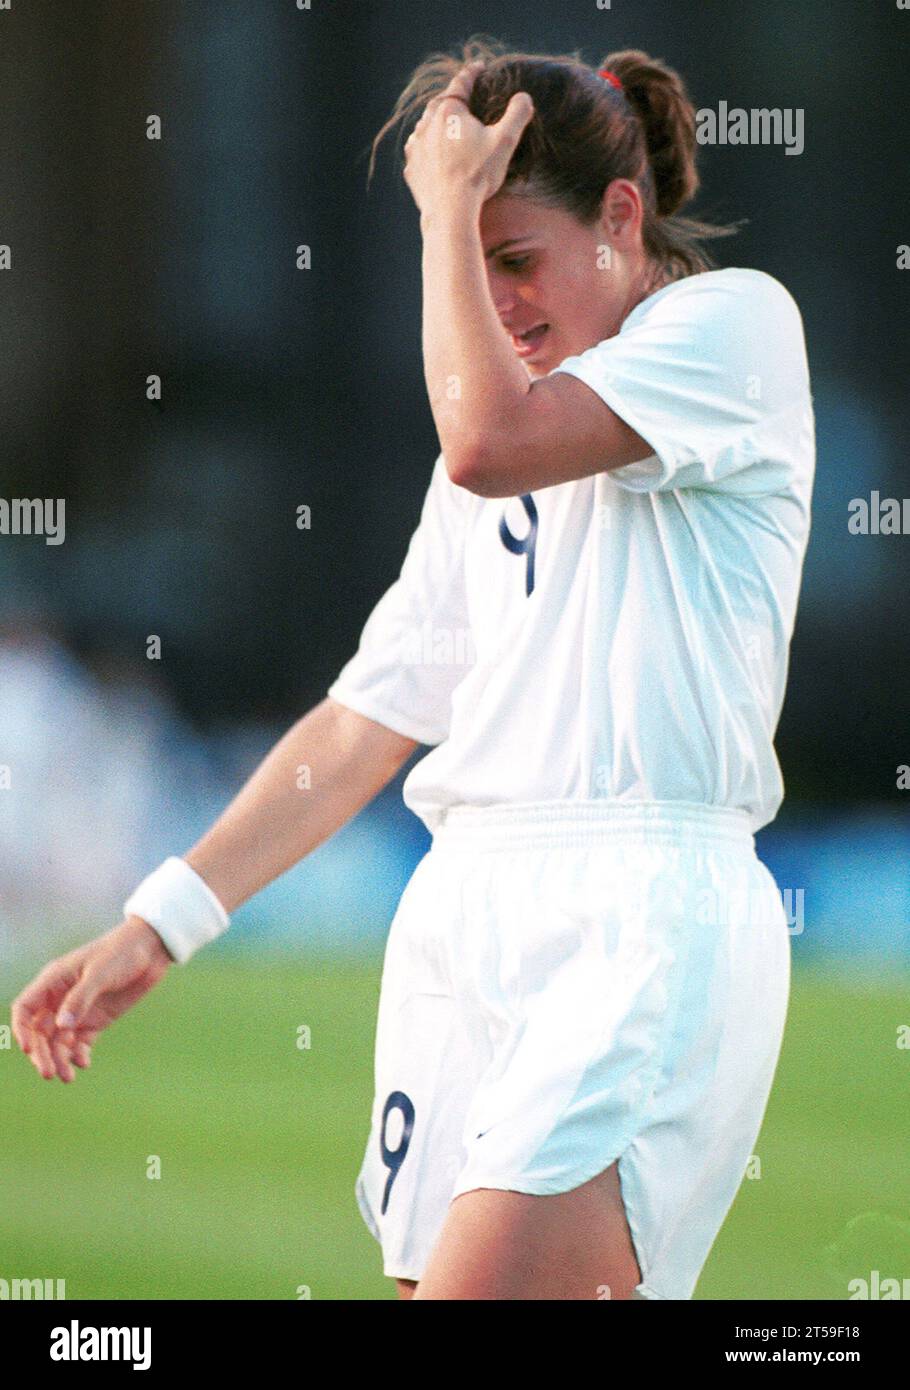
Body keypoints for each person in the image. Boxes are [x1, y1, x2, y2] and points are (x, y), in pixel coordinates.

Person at [11, 37, 815, 1301]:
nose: (491, 301)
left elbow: (489, 436)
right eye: (464, 258)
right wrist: (158, 921)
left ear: (622, 216)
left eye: (514, 258)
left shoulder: (732, 329)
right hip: (462, 921)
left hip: (640, 921)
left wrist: (443, 207)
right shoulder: (486, 443)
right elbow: (368, 720)